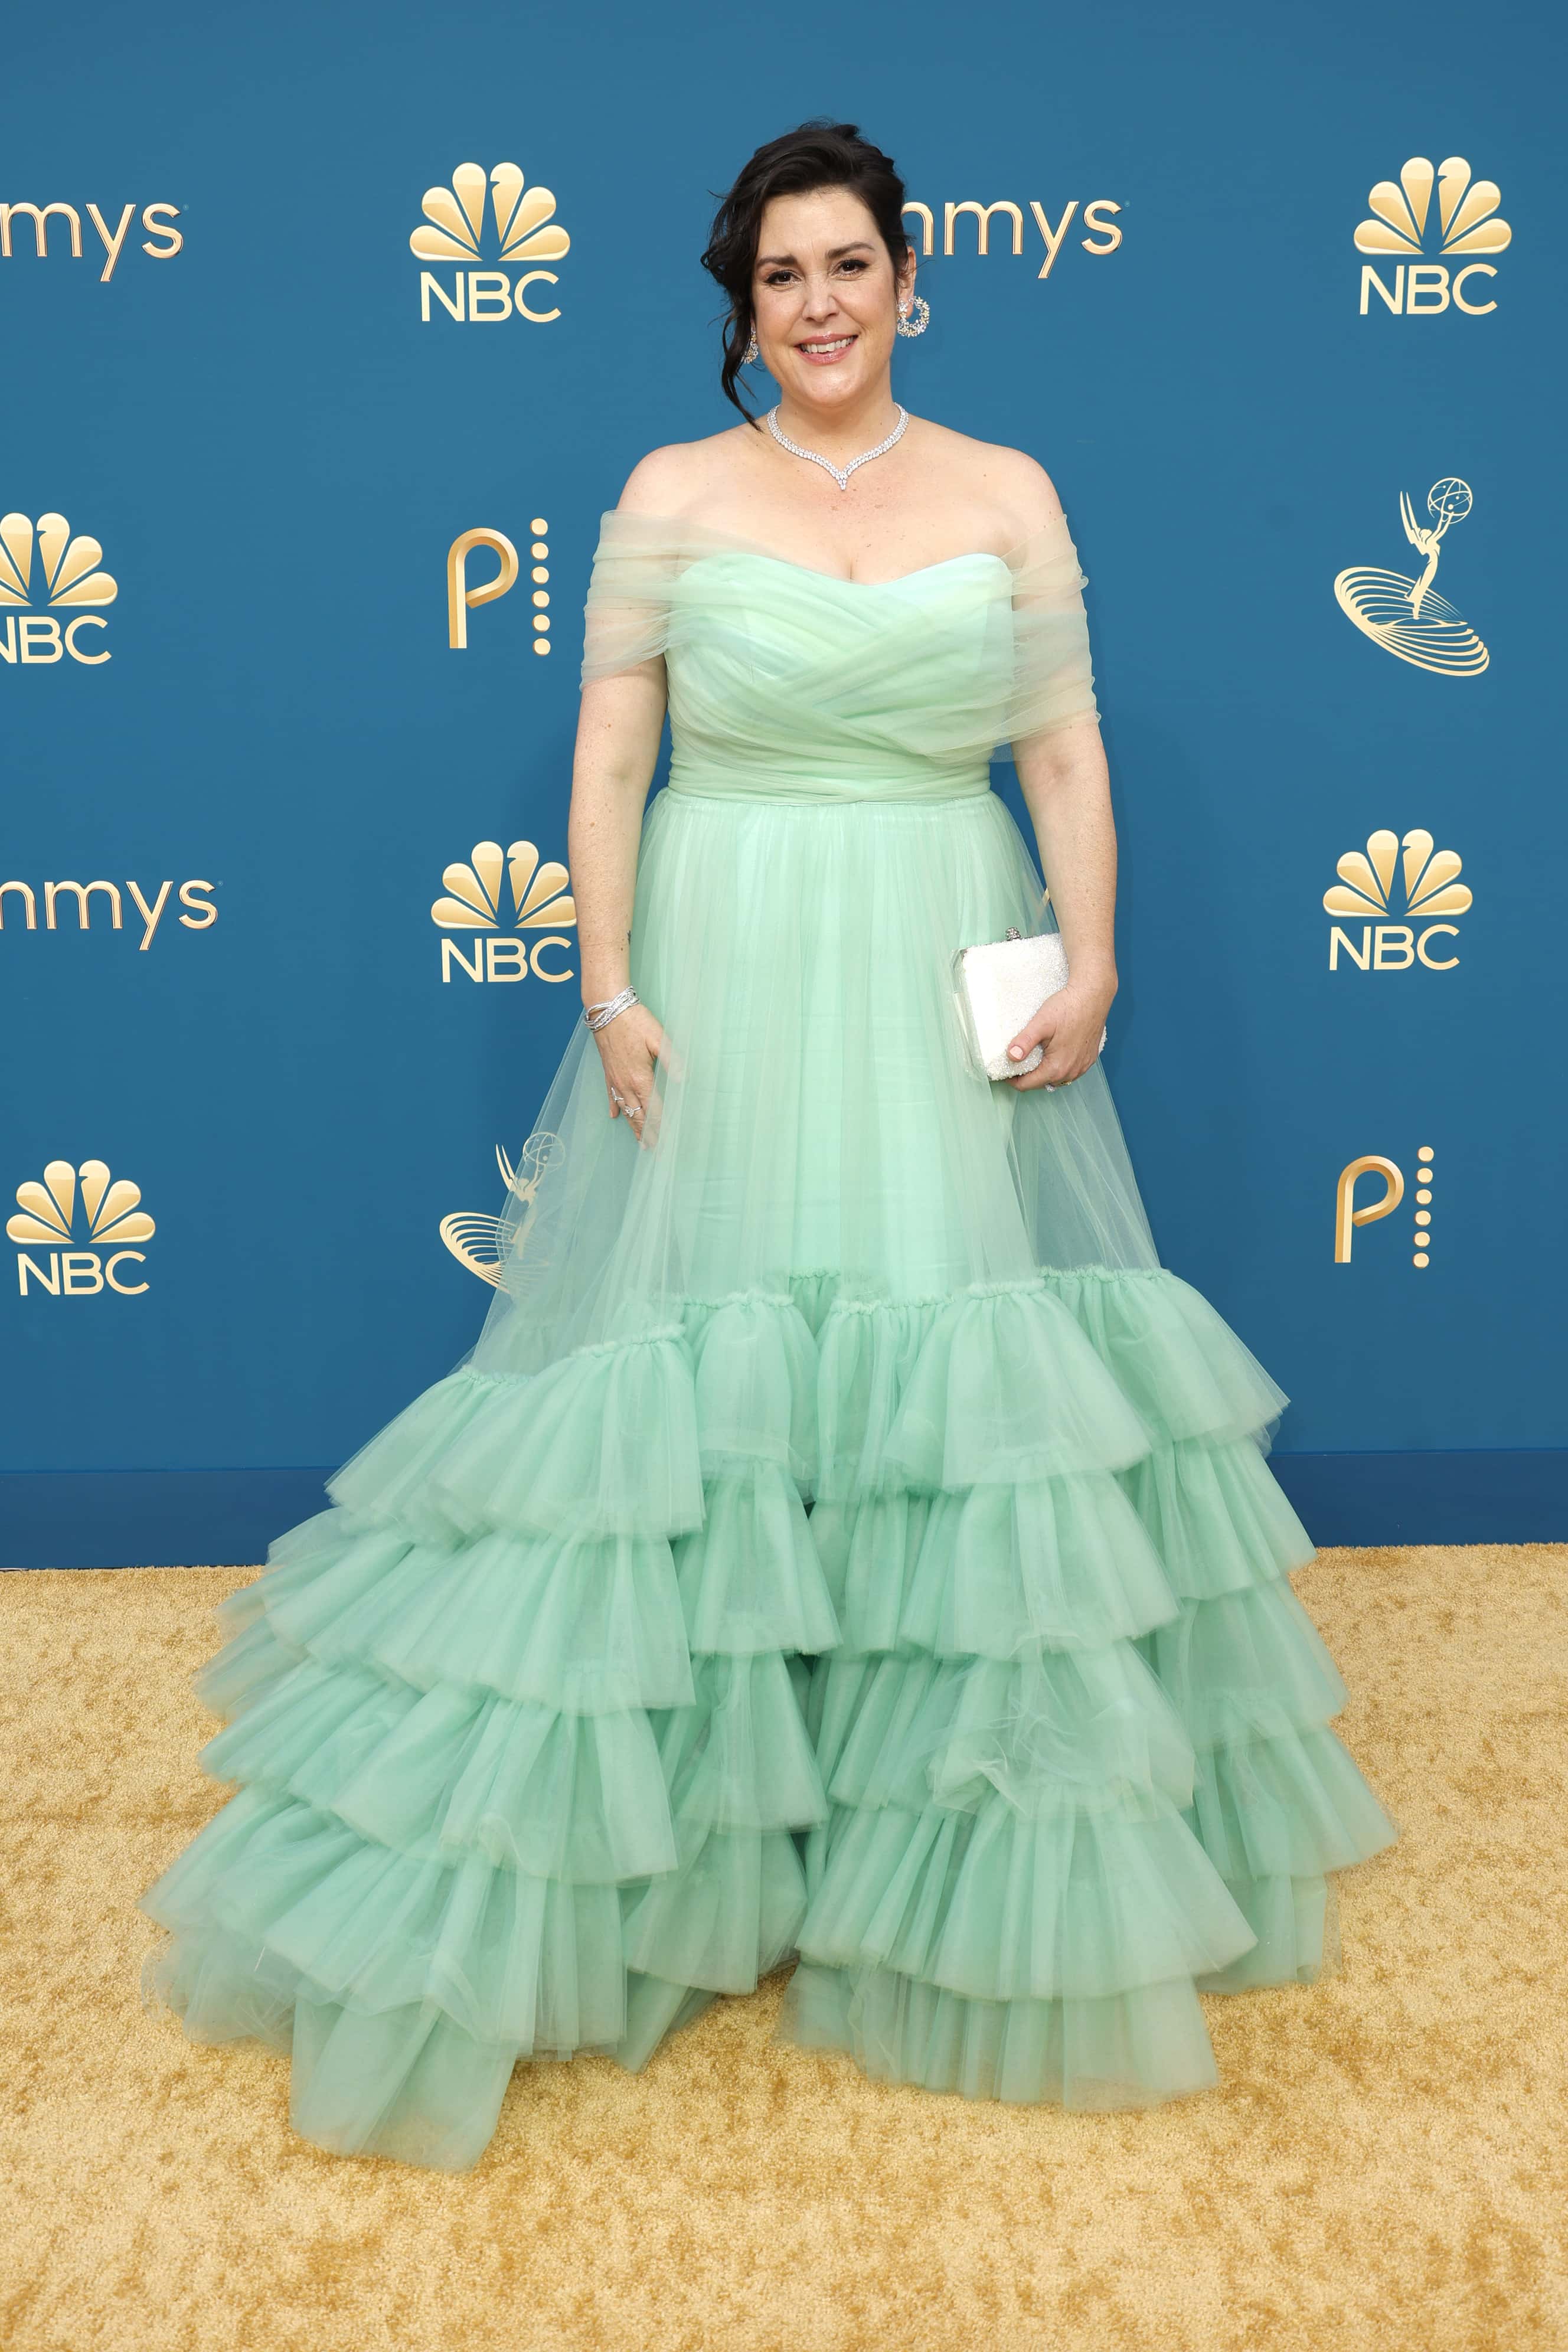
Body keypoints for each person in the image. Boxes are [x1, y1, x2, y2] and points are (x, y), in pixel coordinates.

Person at [138, 120, 1396, 2171]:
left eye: (848, 265)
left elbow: (1058, 744)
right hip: (723, 947)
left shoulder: (1007, 490)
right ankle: (684, 1858)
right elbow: (613, 751)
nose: (816, 305)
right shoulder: (671, 492)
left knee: (944, 1377)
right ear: (745, 307)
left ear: (913, 277)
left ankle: (936, 1853)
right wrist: (613, 987)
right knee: (702, 1382)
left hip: (931, 940)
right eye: (778, 276)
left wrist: (1095, 953)